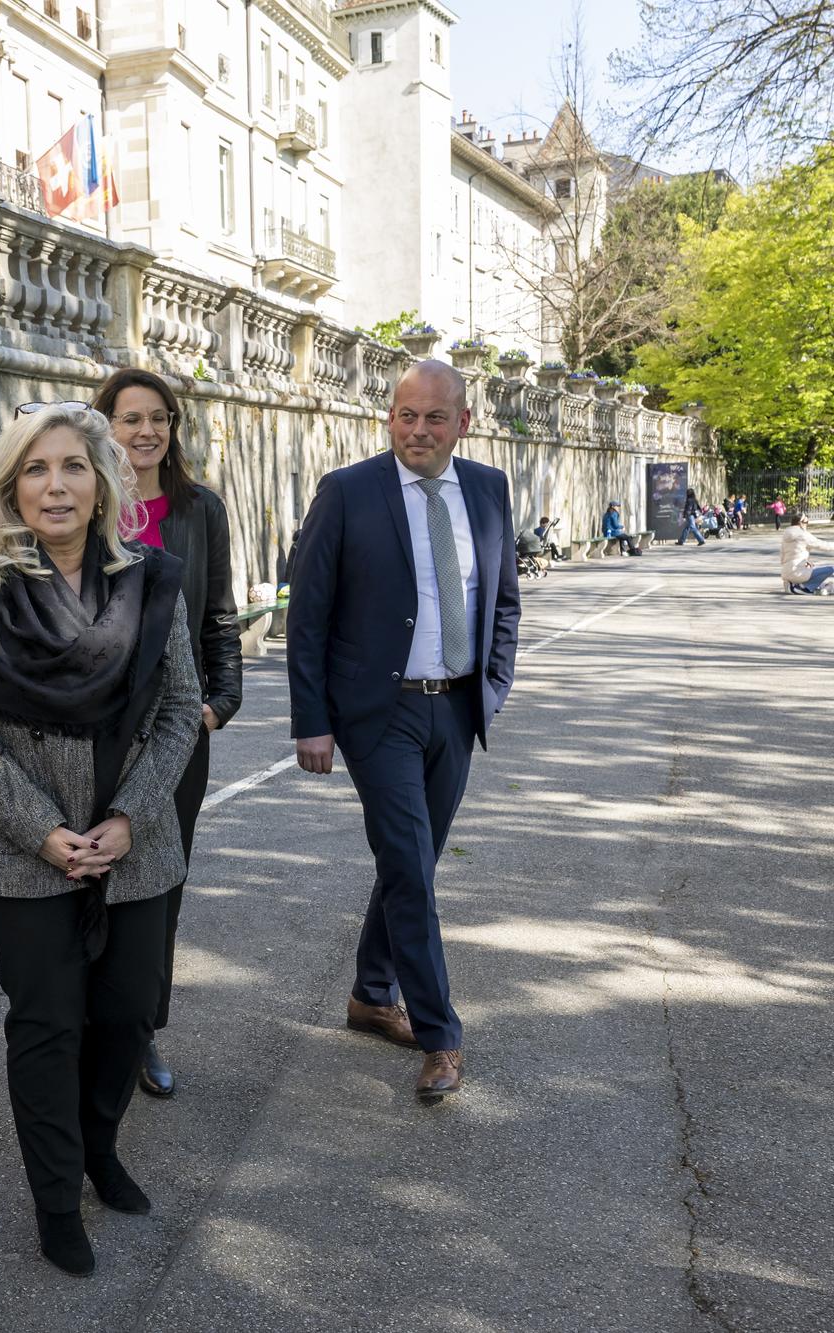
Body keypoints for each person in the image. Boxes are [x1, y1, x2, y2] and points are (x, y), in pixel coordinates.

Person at [0, 403, 203, 1276]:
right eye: (36, 469)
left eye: (73, 467)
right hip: (19, 844)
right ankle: (55, 1197)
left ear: (102, 482)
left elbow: (179, 711)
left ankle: (99, 1147)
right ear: (12, 486)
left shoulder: (151, 580)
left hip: (133, 836)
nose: (55, 486)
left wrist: (129, 818)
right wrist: (44, 829)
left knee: (127, 1009)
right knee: (47, 1021)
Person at [287, 361, 521, 1102]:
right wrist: (312, 721)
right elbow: (307, 614)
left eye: (433, 418)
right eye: (404, 415)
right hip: (377, 713)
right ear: (389, 416)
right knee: (413, 869)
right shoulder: (347, 491)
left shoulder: (488, 489)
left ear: (463, 422)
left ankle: (369, 992)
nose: (417, 430)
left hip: (456, 708)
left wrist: (491, 687)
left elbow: (502, 599)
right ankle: (441, 1034)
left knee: (409, 862)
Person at [91, 367, 241, 1099]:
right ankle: (86, 1022)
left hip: (178, 732)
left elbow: (220, 615)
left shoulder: (199, 509)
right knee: (88, 878)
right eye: (131, 419)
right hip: (92, 732)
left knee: (160, 887)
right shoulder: (84, 501)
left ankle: (142, 1028)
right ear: (106, 427)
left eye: (159, 418)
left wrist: (220, 703)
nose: (147, 431)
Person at [781, 510, 834, 593]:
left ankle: (793, 584)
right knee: (831, 569)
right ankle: (804, 588)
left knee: (811, 566)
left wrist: (805, 563)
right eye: (806, 522)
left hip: (786, 572)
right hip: (797, 573)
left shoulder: (786, 536)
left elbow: (782, 558)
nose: (807, 524)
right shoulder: (803, 535)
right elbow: (823, 545)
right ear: (800, 523)